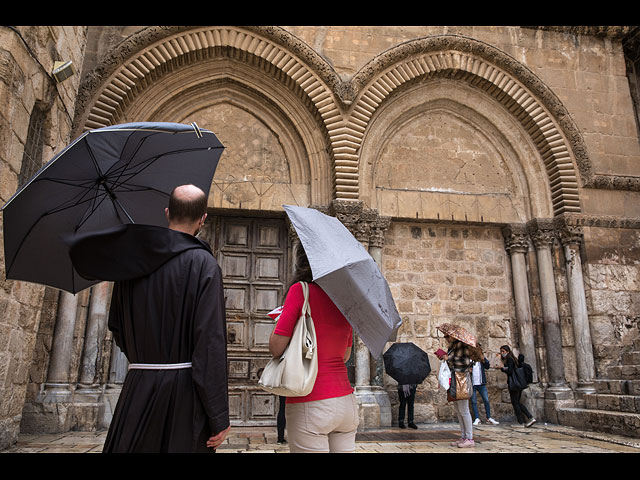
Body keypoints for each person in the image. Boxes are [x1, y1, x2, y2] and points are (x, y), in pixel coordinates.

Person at [70, 184, 230, 452]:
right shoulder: (205, 266)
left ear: (167, 213)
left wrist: (146, 356)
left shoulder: (133, 262)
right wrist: (218, 416)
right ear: (203, 219)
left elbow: (117, 325)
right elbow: (209, 344)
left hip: (138, 390)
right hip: (183, 397)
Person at [269, 244, 357, 453]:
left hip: (310, 401)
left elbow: (276, 348)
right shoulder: (346, 299)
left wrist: (281, 322)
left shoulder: (301, 290)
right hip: (346, 402)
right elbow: (345, 355)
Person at [437, 334, 474, 448]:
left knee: (464, 410)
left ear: (453, 336)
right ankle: (463, 436)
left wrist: (450, 358)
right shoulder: (452, 347)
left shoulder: (462, 346)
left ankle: (469, 438)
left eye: (447, 336)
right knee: (458, 410)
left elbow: (466, 362)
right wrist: (444, 357)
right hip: (455, 378)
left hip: (461, 379)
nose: (446, 338)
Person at [497, 345, 536, 428]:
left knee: (515, 403)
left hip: (514, 384)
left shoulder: (510, 359)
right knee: (517, 402)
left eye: (503, 351)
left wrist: (502, 368)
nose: (502, 353)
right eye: (501, 351)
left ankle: (522, 421)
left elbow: (510, 371)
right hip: (517, 383)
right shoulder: (512, 359)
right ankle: (529, 418)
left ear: (507, 351)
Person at [469, 345, 499, 426]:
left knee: (486, 400)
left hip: (481, 383)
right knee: (473, 401)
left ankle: (489, 417)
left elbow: (487, 366)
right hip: (473, 383)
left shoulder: (481, 360)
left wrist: (484, 360)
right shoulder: (469, 360)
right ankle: (476, 418)